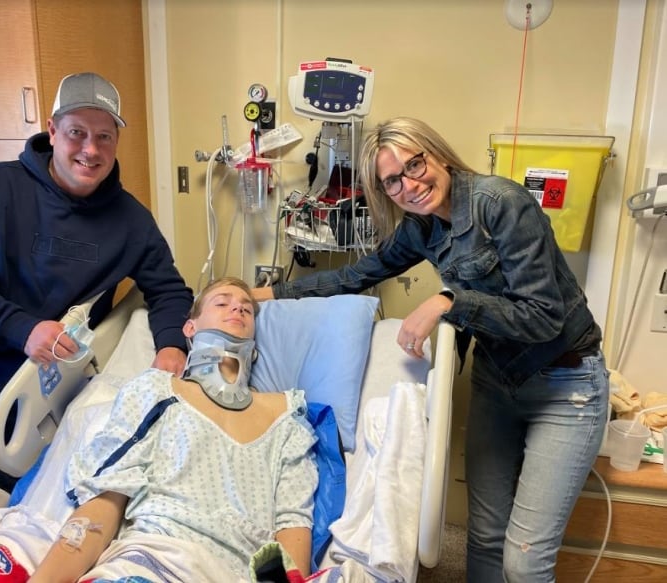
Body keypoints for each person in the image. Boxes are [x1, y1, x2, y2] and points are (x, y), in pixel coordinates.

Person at [253, 117, 610, 582]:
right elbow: (357, 274)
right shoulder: (420, 227)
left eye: (414, 164)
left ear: (436, 153)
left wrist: (450, 300)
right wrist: (272, 295)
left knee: (524, 559)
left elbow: (543, 317)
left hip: (567, 385)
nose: (410, 185)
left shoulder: (501, 204)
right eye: (392, 181)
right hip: (497, 381)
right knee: (481, 537)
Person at [0, 72, 193, 493]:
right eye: (77, 133)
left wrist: (173, 344)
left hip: (69, 405)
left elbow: (169, 289)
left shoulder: (131, 221)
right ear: (52, 131)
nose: (91, 149)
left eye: (104, 136)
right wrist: (21, 328)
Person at [0, 277, 315, 583]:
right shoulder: (156, 392)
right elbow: (107, 496)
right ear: (190, 329)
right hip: (148, 562)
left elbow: (292, 521)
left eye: (247, 310)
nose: (237, 310)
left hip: (230, 570)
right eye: (222, 303)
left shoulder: (286, 415)